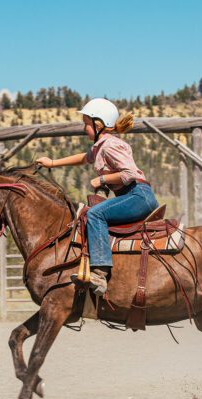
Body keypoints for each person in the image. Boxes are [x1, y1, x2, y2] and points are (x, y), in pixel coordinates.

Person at [36, 98, 159, 295]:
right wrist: (52, 163)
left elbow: (130, 173)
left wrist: (102, 181)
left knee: (94, 215)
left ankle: (100, 274)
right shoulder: (101, 146)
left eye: (86, 124)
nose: (84, 128)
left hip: (138, 195)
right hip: (132, 196)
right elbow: (84, 158)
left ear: (99, 124)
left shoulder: (110, 145)